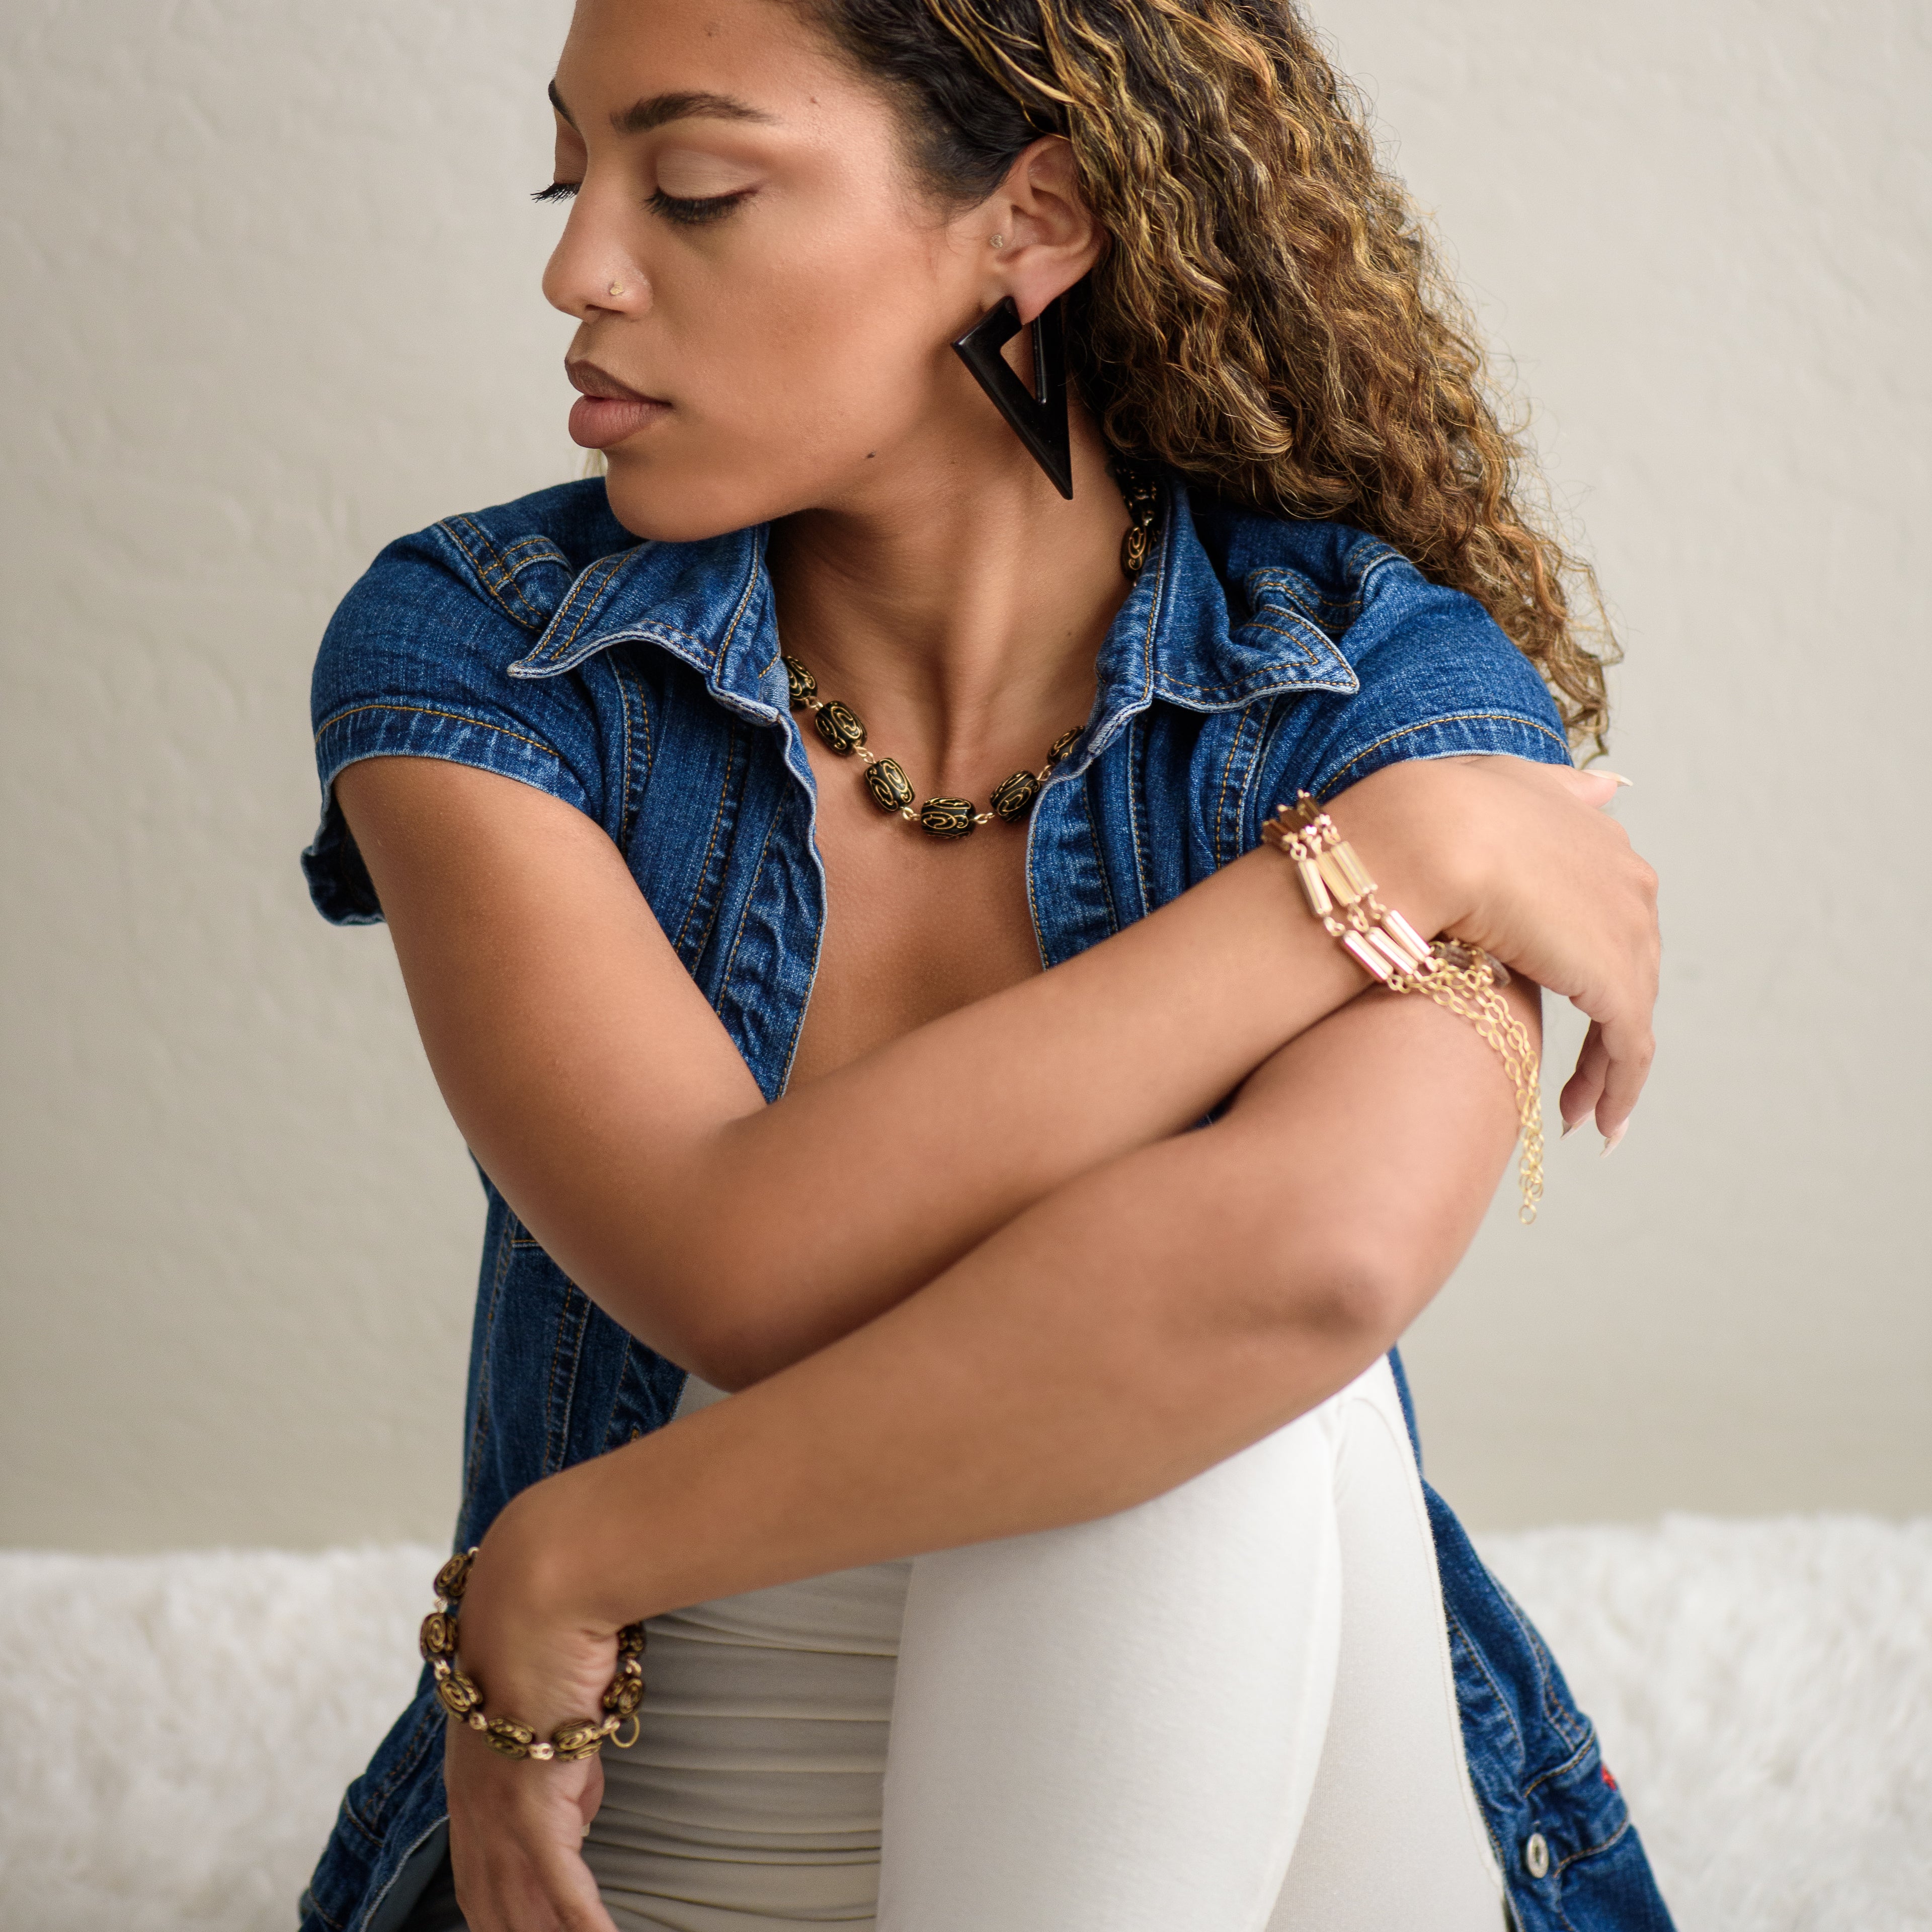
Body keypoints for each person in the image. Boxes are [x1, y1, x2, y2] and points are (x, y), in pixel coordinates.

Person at [296, 0, 1671, 1926]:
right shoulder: (492, 657)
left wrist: (572, 1550)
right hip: (668, 1829)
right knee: (1180, 1331)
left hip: (1256, 1798)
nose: (575, 267)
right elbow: (729, 1262)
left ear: (1033, 222)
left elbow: (1316, 1265)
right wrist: (1373, 872)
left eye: (691, 188)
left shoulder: (1373, 686)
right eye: (571, 172)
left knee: (1228, 1412)